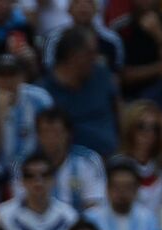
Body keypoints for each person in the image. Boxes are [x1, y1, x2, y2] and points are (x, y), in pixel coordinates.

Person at [42, 26, 120, 158]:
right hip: (71, 166)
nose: (96, 58)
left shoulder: (101, 75)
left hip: (112, 160)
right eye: (91, 53)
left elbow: (118, 109)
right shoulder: (44, 93)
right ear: (73, 56)